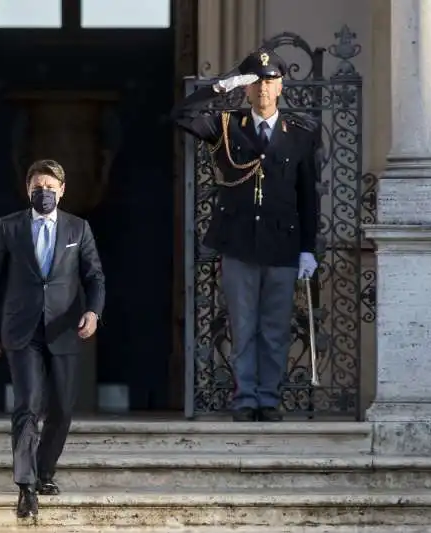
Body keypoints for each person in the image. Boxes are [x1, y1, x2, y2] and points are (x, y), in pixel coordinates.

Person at [171, 48, 321, 422]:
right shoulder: (227, 126)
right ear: (247, 89)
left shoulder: (300, 135)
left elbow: (308, 197)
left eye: (269, 82)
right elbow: (182, 115)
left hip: (283, 247)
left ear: (281, 87)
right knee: (243, 326)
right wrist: (222, 86)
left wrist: (307, 248)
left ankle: (268, 399)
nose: (263, 89)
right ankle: (245, 398)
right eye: (255, 82)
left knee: (274, 329)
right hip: (238, 243)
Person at [0, 159, 105, 519]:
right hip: (21, 331)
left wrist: (93, 312)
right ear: (28, 189)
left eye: (51, 187)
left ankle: (44, 471)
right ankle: (25, 486)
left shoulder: (78, 229)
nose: (44, 193)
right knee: (28, 406)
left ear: (63, 190)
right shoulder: (9, 227)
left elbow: (95, 276)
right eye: (38, 187)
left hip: (65, 329)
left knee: (63, 408)